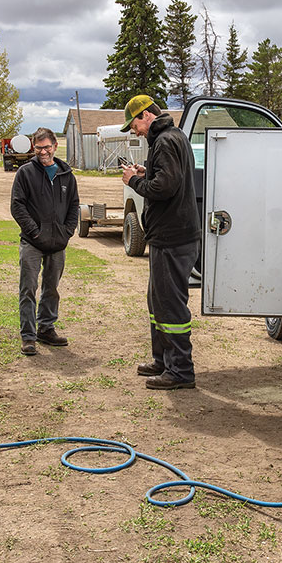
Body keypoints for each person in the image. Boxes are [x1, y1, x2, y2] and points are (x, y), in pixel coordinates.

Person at [120, 95, 200, 390]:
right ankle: (163, 360)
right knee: (157, 301)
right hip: (170, 236)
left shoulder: (165, 141)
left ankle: (180, 370)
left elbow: (163, 188)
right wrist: (146, 171)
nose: (135, 132)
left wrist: (134, 181)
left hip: (173, 237)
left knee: (170, 305)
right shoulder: (173, 136)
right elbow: (169, 178)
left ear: (146, 115)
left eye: (135, 125)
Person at [10, 127, 79, 355]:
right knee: (28, 288)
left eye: (47, 147)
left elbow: (73, 206)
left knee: (52, 289)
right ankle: (28, 336)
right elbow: (17, 206)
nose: (43, 152)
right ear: (33, 147)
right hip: (32, 243)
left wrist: (67, 231)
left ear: (55, 146)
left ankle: (46, 329)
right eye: (39, 148)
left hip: (57, 243)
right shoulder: (25, 173)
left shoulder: (66, 175)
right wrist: (35, 232)